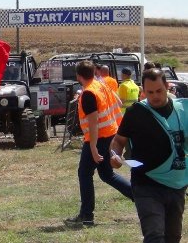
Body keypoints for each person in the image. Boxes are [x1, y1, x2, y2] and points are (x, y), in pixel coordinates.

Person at [110, 68, 187, 243]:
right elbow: (118, 140)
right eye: (150, 92)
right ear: (143, 90)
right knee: (154, 236)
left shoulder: (182, 110)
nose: (155, 96)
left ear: (167, 86)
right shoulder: (136, 113)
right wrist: (114, 154)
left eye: (159, 91)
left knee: (172, 237)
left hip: (176, 184)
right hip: (146, 184)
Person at [64, 60, 133, 227]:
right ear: (94, 72)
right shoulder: (101, 85)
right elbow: (118, 102)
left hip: (99, 138)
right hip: (110, 133)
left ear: (78, 76)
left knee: (85, 174)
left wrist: (93, 147)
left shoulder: (88, 93)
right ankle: (142, 197)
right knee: (107, 175)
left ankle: (87, 216)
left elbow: (93, 122)